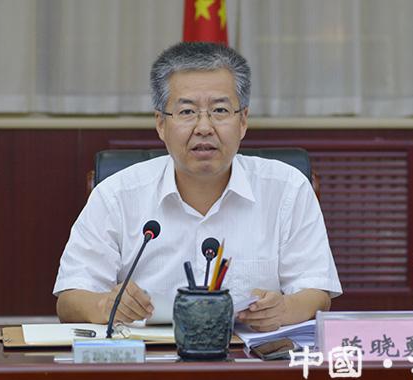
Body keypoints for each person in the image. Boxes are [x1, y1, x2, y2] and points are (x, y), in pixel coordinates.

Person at [53, 42, 342, 332]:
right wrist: (106, 305)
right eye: (187, 111)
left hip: (248, 353)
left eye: (220, 110)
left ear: (242, 121)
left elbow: (316, 292)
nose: (204, 127)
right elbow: (70, 299)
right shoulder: (116, 195)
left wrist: (283, 309)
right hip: (146, 355)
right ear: (161, 124)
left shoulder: (287, 189)